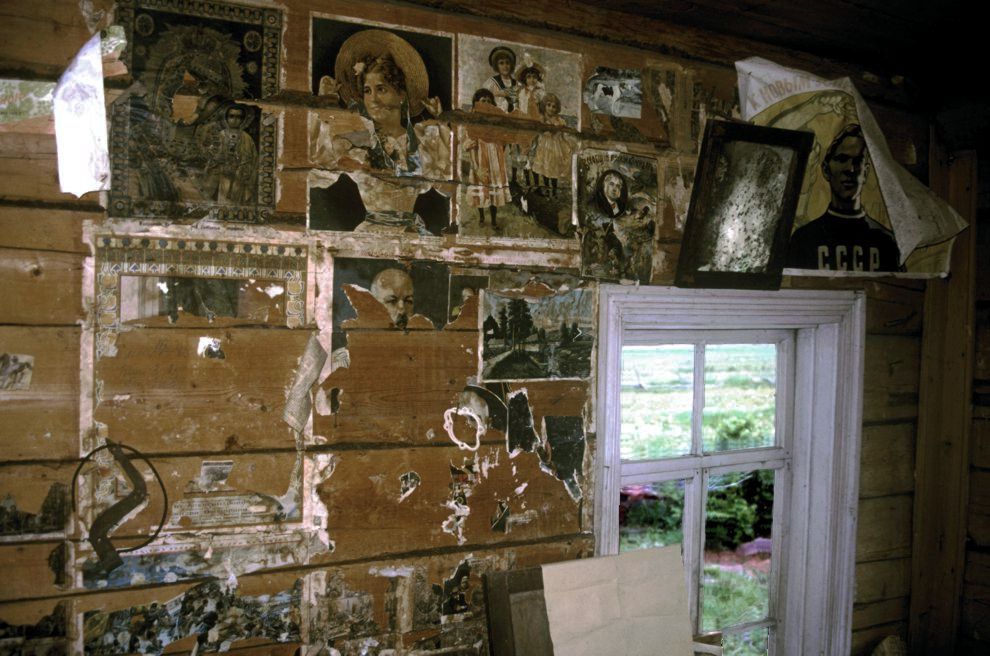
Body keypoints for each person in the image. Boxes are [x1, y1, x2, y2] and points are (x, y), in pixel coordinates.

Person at [315, 29, 448, 178]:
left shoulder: (424, 141)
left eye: (381, 89)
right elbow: (322, 169)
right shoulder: (353, 142)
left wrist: (442, 123)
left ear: (401, 94)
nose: (373, 99)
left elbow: (444, 176)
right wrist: (324, 102)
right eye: (367, 91)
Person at [787, 124, 901, 272]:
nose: (850, 169)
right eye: (842, 159)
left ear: (866, 172)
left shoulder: (886, 242)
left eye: (858, 161)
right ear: (826, 170)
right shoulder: (804, 239)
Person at [462, 89, 512, 228]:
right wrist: (476, 167)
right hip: (480, 160)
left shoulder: (495, 123)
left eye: (489, 101)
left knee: (493, 190)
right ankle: (482, 217)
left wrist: (497, 155)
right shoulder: (473, 123)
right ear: (476, 104)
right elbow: (471, 147)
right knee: (481, 190)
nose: (486, 104)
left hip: (494, 161)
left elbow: (503, 142)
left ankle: (494, 220)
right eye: (483, 101)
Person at [529, 93, 574, 198]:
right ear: (544, 106)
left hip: (555, 147)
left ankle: (554, 192)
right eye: (548, 105)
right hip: (544, 146)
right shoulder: (542, 119)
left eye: (554, 106)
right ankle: (546, 189)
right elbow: (539, 131)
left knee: (554, 169)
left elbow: (562, 133)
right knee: (545, 168)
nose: (551, 108)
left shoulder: (559, 120)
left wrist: (565, 142)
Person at [483, 46, 519, 114]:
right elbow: (483, 99)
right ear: (496, 65)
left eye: (507, 63)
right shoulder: (491, 82)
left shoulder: (517, 84)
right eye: (501, 63)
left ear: (511, 65)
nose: (505, 66)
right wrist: (498, 93)